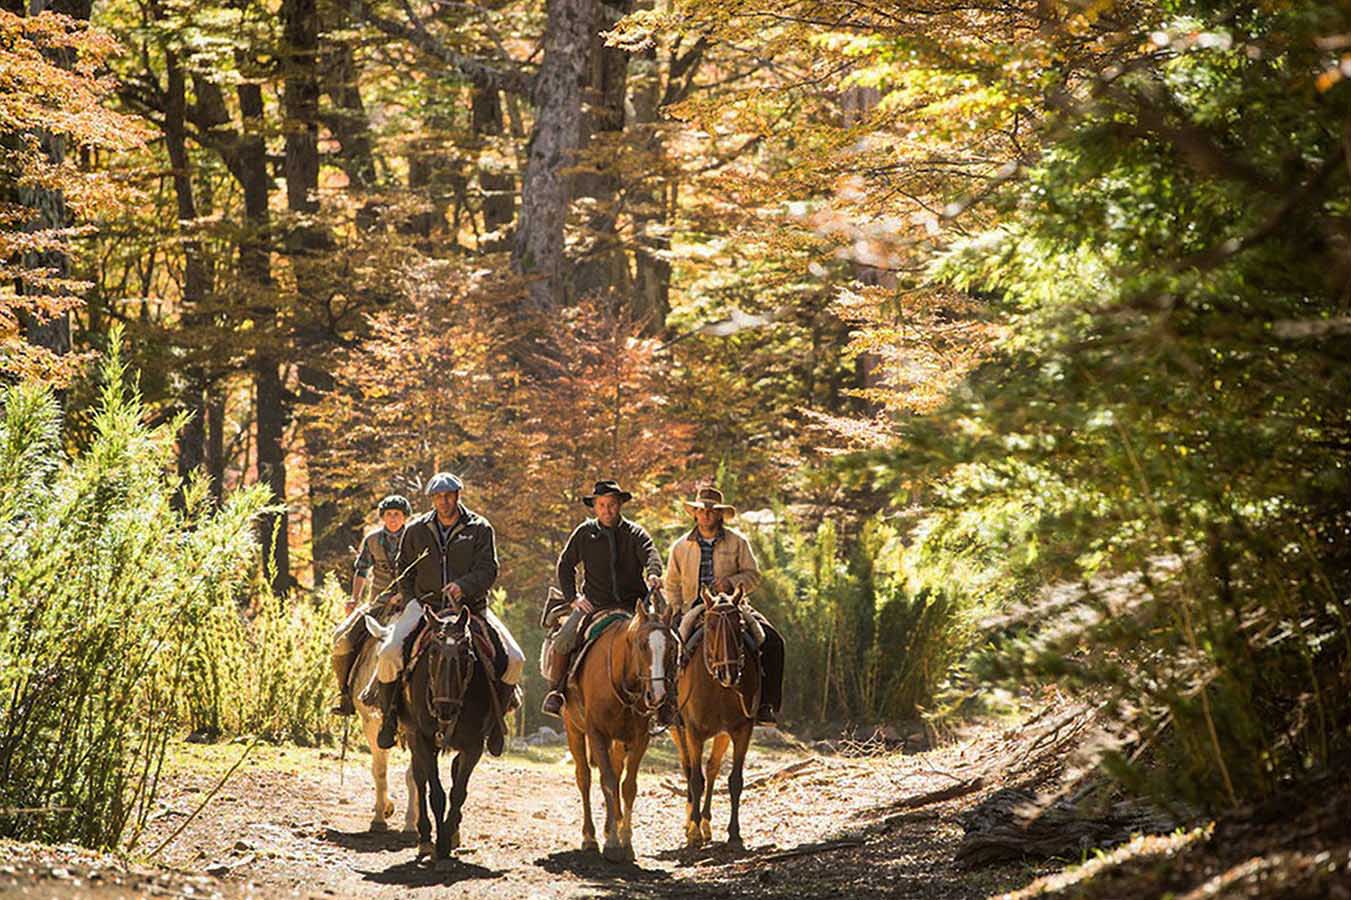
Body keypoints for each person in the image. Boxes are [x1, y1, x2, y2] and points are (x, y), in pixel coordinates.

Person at [362, 472, 523, 755]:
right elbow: (404, 569)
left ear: (458, 495)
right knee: (388, 653)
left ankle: (496, 723)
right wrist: (413, 600)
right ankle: (389, 719)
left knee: (515, 659)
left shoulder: (480, 528)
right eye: (438, 497)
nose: (443, 501)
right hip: (425, 607)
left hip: (470, 609)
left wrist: (464, 586)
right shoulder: (417, 529)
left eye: (448, 496)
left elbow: (489, 569)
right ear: (432, 499)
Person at [540, 480, 663, 717]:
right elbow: (565, 566)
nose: (607, 510)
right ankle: (556, 691)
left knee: (663, 640)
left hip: (633, 607)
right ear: (595, 507)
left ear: (620, 506)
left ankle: (666, 699)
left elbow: (650, 553)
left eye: (612, 505)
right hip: (594, 605)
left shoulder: (635, 533)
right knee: (564, 639)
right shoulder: (584, 533)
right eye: (602, 505)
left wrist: (654, 573)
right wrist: (573, 597)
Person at [664, 486, 785, 724]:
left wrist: (731, 583)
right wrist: (677, 609)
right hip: (694, 606)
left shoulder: (738, 542)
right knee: (669, 645)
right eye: (702, 510)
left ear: (720, 514)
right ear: (695, 514)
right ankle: (670, 707)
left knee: (773, 642)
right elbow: (672, 583)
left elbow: (753, 575)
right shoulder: (680, 547)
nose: (706, 514)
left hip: (733, 605)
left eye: (712, 510)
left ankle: (764, 705)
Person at [330, 494, 410, 716]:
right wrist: (355, 599)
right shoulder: (372, 540)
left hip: (409, 605)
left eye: (397, 514)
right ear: (383, 517)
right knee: (342, 640)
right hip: (377, 603)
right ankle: (345, 693)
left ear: (405, 518)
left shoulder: (415, 538)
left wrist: (403, 595)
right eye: (389, 514)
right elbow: (362, 569)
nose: (393, 518)